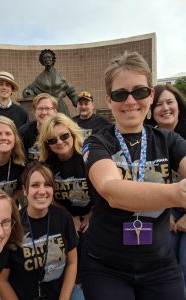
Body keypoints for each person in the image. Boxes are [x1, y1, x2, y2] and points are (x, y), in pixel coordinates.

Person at [81, 51, 186, 300]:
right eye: (120, 94)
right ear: (109, 99)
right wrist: (177, 194)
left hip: (159, 264)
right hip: (105, 266)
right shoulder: (96, 142)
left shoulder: (169, 140)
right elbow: (111, 190)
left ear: (150, 95)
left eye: (139, 91)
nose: (130, 101)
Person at [0, 162, 78, 300]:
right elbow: (1, 280)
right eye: (35, 185)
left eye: (47, 185)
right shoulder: (11, 224)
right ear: (25, 190)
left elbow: (72, 263)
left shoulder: (64, 217)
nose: (42, 191)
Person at [38, 113, 92, 300]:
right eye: (52, 140)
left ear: (73, 133)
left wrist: (92, 215)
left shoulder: (89, 156)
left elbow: (106, 190)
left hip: (95, 212)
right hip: (66, 215)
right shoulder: (47, 165)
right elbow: (48, 196)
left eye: (64, 136)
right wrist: (69, 217)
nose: (59, 142)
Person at [147, 84, 186, 295]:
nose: (165, 108)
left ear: (178, 105)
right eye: (158, 104)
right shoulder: (147, 140)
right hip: (164, 210)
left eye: (170, 102)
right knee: (163, 261)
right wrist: (165, 211)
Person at [22, 49, 78, 116]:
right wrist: (27, 91)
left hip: (59, 106)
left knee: (62, 124)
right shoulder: (40, 78)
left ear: (53, 59)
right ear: (42, 61)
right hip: (46, 107)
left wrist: (77, 102)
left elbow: (71, 90)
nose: (47, 59)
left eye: (49, 57)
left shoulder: (60, 77)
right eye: (45, 58)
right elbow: (30, 88)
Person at [18, 93, 57, 161]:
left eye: (48, 108)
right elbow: (21, 160)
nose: (44, 112)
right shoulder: (24, 132)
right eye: (40, 108)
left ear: (55, 111)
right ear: (34, 111)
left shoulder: (62, 131)